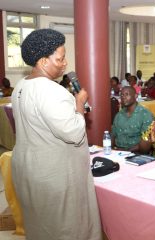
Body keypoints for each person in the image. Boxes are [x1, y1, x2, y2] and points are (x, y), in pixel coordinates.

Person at [11, 29, 101, 239]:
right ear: (43, 61)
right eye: (60, 59)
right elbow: (74, 133)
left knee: (40, 224)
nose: (65, 63)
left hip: (29, 168)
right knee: (67, 228)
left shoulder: (21, 86)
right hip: (55, 174)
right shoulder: (51, 91)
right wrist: (79, 103)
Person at [112, 86, 153, 151]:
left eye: (127, 94)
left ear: (135, 96)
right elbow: (113, 135)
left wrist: (126, 152)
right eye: (122, 95)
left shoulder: (145, 114)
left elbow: (146, 142)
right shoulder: (119, 115)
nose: (123, 97)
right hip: (117, 152)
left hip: (136, 153)